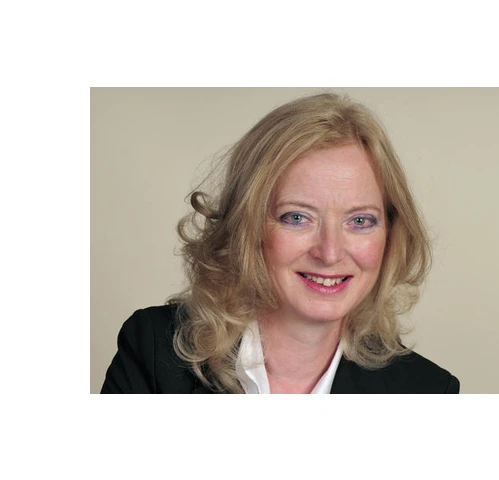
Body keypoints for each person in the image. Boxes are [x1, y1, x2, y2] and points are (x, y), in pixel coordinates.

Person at [101, 92, 460, 394]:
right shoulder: (154, 351)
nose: (330, 252)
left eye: (360, 221)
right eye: (297, 217)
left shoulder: (427, 390)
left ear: (391, 235)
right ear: (248, 226)